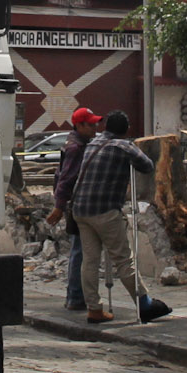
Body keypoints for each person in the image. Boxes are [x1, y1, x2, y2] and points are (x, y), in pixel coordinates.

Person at [67, 110, 162, 324]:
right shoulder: (123, 146)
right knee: (123, 259)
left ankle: (94, 308)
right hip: (105, 210)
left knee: (90, 260)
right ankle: (144, 304)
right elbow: (147, 166)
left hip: (81, 209)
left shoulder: (92, 143)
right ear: (126, 130)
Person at [47, 108, 103, 315]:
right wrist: (59, 207)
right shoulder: (76, 148)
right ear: (79, 126)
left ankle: (76, 296)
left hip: (75, 203)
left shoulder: (79, 144)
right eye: (91, 124)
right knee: (80, 251)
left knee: (79, 251)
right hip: (77, 204)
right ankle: (76, 297)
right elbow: (66, 179)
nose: (95, 128)